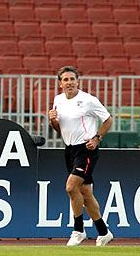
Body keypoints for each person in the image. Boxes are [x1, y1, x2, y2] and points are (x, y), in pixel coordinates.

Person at [48, 66, 114, 246]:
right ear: (60, 84)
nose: (69, 82)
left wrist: (97, 138)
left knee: (70, 187)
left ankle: (78, 230)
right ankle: (103, 231)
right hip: (69, 149)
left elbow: (108, 119)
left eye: (72, 79)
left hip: (86, 149)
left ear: (78, 81)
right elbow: (59, 129)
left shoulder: (88, 100)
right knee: (85, 193)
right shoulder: (58, 100)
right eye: (65, 80)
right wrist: (53, 120)